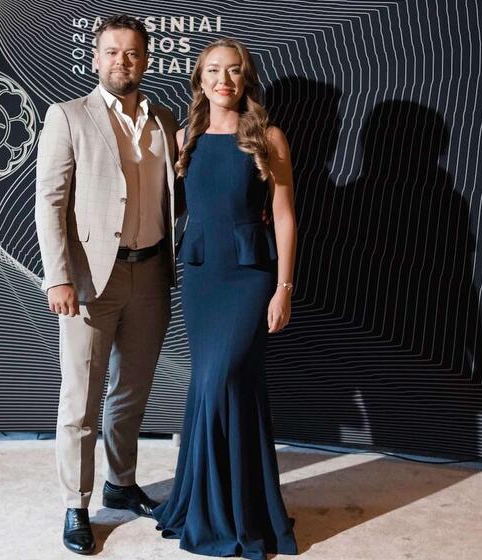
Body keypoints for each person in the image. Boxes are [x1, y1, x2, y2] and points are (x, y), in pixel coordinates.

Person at [34, 15, 181, 555]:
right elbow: (49, 202)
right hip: (92, 278)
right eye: (113, 52)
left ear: (146, 60)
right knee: (81, 397)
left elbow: (174, 194)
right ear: (96, 59)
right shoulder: (68, 116)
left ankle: (121, 483)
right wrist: (59, 277)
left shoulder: (165, 120)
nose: (123, 61)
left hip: (152, 273)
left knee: (131, 390)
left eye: (133, 52)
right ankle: (76, 504)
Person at [152, 38, 299, 559]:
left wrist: (284, 288)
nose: (224, 80)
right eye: (213, 70)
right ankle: (220, 505)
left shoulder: (268, 138)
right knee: (216, 385)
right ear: (199, 79)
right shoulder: (184, 137)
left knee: (223, 381)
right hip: (201, 275)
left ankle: (229, 514)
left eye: (234, 71)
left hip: (249, 276)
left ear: (245, 79)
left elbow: (284, 216)